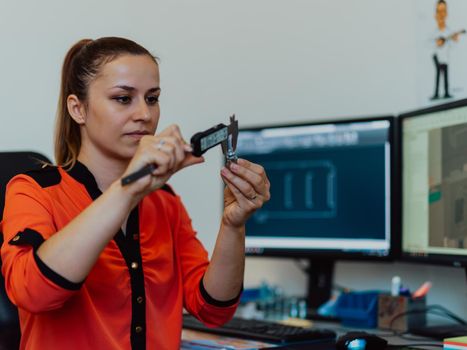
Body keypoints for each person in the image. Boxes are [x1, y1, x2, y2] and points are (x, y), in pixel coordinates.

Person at [0, 37, 270, 350]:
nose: (144, 114)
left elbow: (213, 309)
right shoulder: (34, 191)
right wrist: (128, 190)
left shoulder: (164, 201)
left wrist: (233, 226)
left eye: (152, 99)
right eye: (123, 99)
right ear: (78, 109)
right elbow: (33, 291)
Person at [431, 0, 464, 100]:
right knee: (438, 76)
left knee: (445, 76)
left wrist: (455, 40)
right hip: (437, 57)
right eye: (438, 11)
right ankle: (436, 93)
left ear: (446, 13)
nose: (441, 14)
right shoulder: (433, 32)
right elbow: (430, 44)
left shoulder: (449, 31)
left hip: (445, 58)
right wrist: (438, 42)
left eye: (443, 11)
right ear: (435, 14)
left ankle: (446, 92)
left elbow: (453, 46)